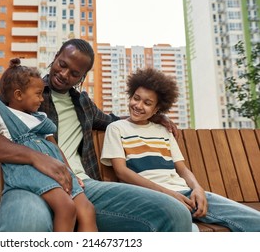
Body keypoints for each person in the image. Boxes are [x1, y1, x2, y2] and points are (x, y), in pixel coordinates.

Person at [0, 38, 193, 232]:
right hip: (31, 185)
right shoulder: (27, 91)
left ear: (82, 77)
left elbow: (113, 120)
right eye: (62, 65)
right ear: (55, 57)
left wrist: (156, 117)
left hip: (83, 187)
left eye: (74, 73)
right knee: (28, 225)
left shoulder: (84, 104)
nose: (64, 74)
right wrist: (37, 157)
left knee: (175, 213)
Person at [100, 67, 260, 232]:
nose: (138, 105)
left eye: (147, 103)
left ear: (156, 110)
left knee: (253, 219)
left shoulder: (164, 131)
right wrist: (169, 194)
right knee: (190, 231)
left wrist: (198, 188)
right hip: (150, 196)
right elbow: (121, 171)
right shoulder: (117, 128)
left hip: (185, 193)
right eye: (136, 98)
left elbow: (182, 169)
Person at [0, 58, 97, 232]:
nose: (41, 98)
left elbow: (55, 149)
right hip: (29, 171)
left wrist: (71, 172)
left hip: (56, 169)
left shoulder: (40, 118)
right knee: (66, 208)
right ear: (18, 95)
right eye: (38, 94)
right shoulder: (1, 115)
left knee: (87, 210)